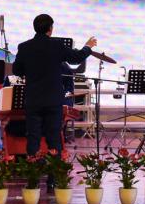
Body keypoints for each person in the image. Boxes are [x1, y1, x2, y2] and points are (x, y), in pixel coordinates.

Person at [12, 14, 95, 157]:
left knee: (33, 137)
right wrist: (88, 47)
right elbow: (76, 58)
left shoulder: (24, 47)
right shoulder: (56, 45)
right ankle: (53, 170)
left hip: (33, 100)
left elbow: (17, 70)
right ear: (50, 29)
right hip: (53, 100)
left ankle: (33, 168)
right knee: (54, 138)